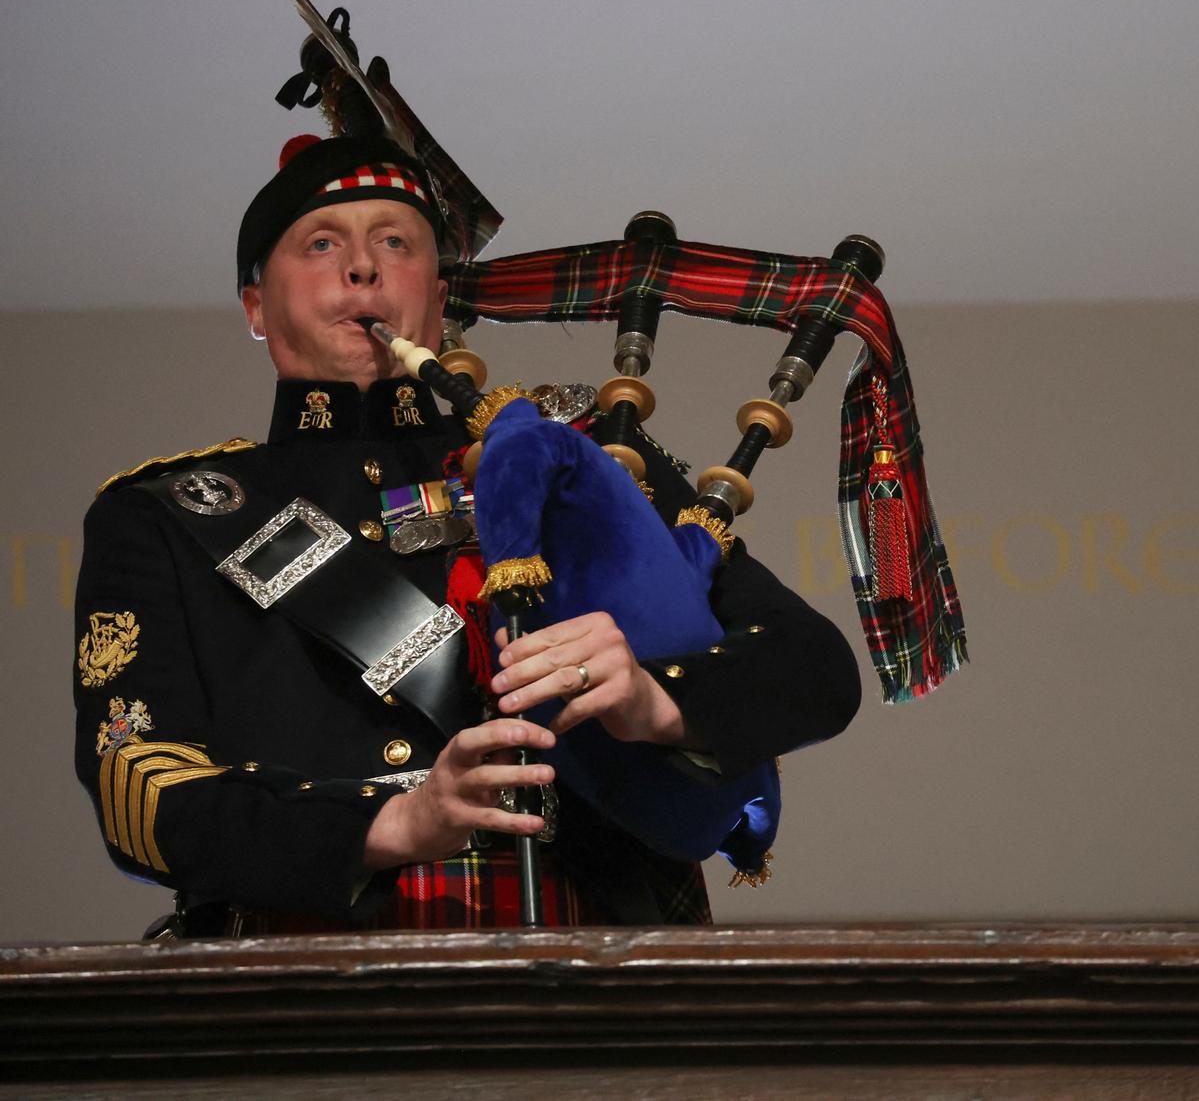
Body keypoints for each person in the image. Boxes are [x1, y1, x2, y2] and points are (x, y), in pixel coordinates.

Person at [71, 133, 861, 933]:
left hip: (608, 969)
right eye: (321, 243)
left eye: (395, 241)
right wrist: (394, 825)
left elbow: (814, 666)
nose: (363, 268)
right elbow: (137, 785)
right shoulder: (164, 514)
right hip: (311, 989)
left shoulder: (568, 455)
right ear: (254, 307)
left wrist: (656, 700)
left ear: (438, 296)